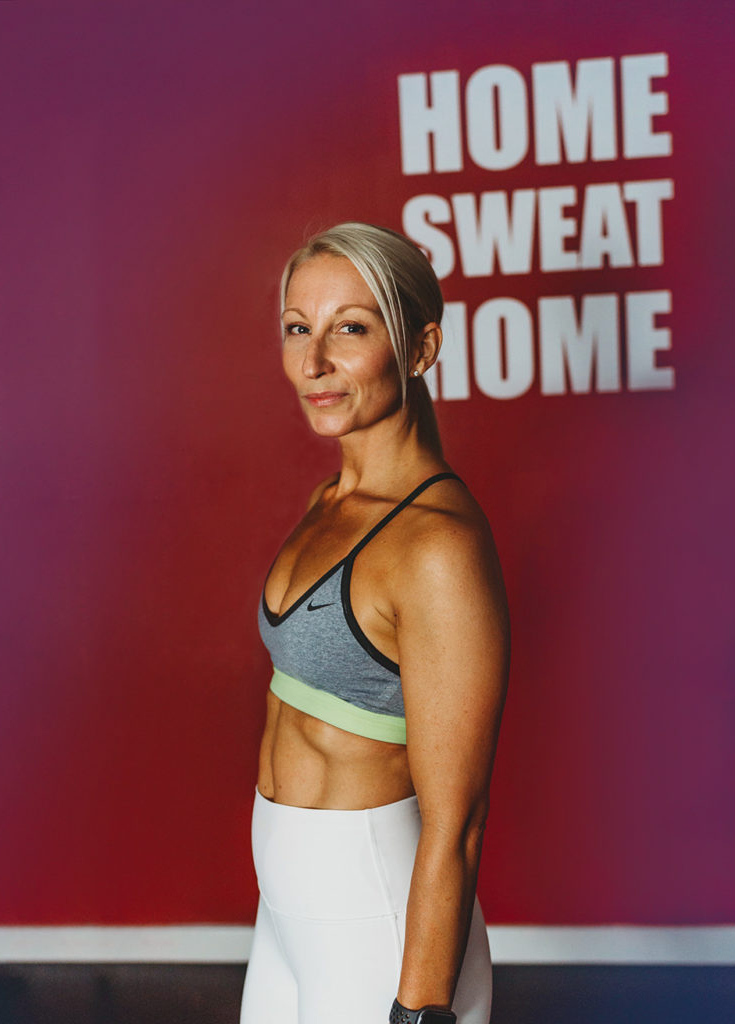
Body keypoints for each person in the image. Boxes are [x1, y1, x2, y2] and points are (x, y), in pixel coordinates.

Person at [239, 223, 510, 1024]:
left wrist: (420, 1011)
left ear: (420, 348)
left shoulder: (437, 548)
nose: (313, 363)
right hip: (288, 914)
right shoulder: (330, 502)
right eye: (298, 328)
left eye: (349, 329)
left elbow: (457, 824)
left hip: (378, 923)